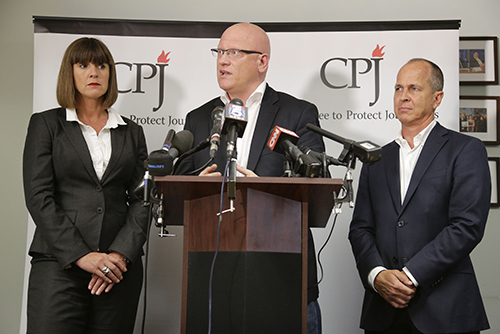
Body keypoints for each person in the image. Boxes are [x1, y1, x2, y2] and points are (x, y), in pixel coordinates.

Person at [176, 22, 324, 333]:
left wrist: (263, 188)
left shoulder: (297, 113)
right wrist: (196, 184)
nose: (222, 60)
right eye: (219, 52)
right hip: (213, 276)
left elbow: (318, 178)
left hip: (282, 274)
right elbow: (180, 181)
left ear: (262, 61)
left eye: (233, 52)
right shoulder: (199, 118)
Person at [348, 58, 490, 334]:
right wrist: (378, 276)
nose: (403, 96)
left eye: (414, 88)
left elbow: (467, 226)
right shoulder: (375, 159)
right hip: (383, 310)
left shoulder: (465, 150)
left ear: (437, 98)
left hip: (445, 310)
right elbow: (360, 229)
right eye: (398, 88)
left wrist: (410, 276)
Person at [23, 37, 150, 334]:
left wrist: (118, 255)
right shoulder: (45, 125)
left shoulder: (132, 132)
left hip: (118, 271)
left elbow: (145, 198)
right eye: (83, 65)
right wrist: (83, 256)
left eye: (101, 65)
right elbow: (38, 196)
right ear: (70, 73)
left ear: (110, 74)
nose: (94, 73)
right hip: (58, 265)